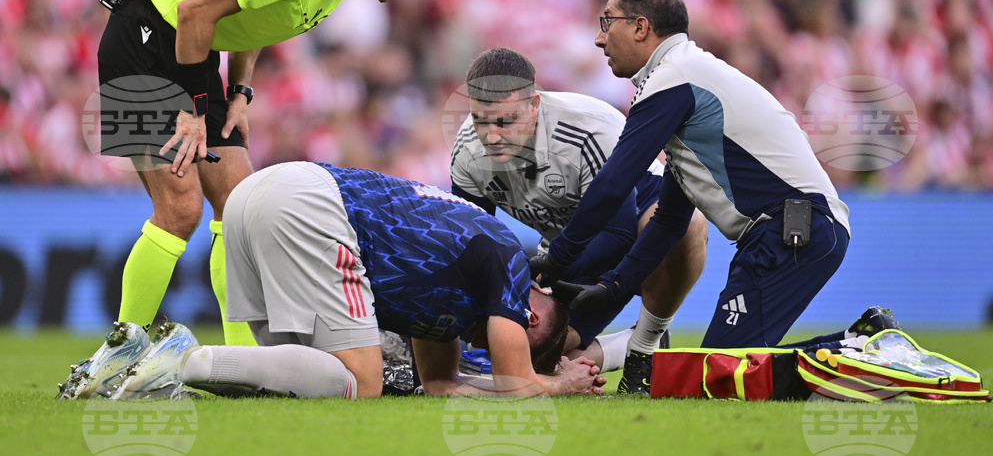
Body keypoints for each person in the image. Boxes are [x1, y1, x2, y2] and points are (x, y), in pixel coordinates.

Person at [97, 0, 441, 346]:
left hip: (192, 49)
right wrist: (193, 112)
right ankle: (119, 353)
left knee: (238, 209)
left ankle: (241, 358)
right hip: (142, 37)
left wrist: (239, 91)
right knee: (180, 210)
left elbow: (254, 18)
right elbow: (193, 10)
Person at [532, 0, 851, 394]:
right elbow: (668, 220)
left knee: (721, 377)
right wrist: (614, 286)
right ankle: (858, 347)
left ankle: (859, 351)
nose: (598, 38)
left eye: (606, 22)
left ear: (641, 27)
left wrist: (556, 260)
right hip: (797, 229)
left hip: (791, 230)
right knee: (727, 370)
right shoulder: (687, 79)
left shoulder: (673, 78)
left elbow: (614, 183)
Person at [58, 162, 606, 400]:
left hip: (268, 195)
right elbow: (516, 382)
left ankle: (144, 374)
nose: (494, 339)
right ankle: (178, 357)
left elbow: (441, 386)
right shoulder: (511, 262)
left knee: (297, 383)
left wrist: (527, 380)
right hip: (313, 208)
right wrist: (558, 383)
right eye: (516, 333)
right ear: (531, 312)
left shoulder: (452, 306)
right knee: (361, 382)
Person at [450, 48, 708, 375]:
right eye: (480, 121)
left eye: (506, 121)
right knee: (532, 357)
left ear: (534, 106)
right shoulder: (467, 152)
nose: (492, 135)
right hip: (569, 245)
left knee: (686, 224)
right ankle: (627, 349)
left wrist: (550, 273)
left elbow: (619, 232)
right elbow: (473, 241)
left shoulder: (587, 130)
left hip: (635, 221)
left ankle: (647, 339)